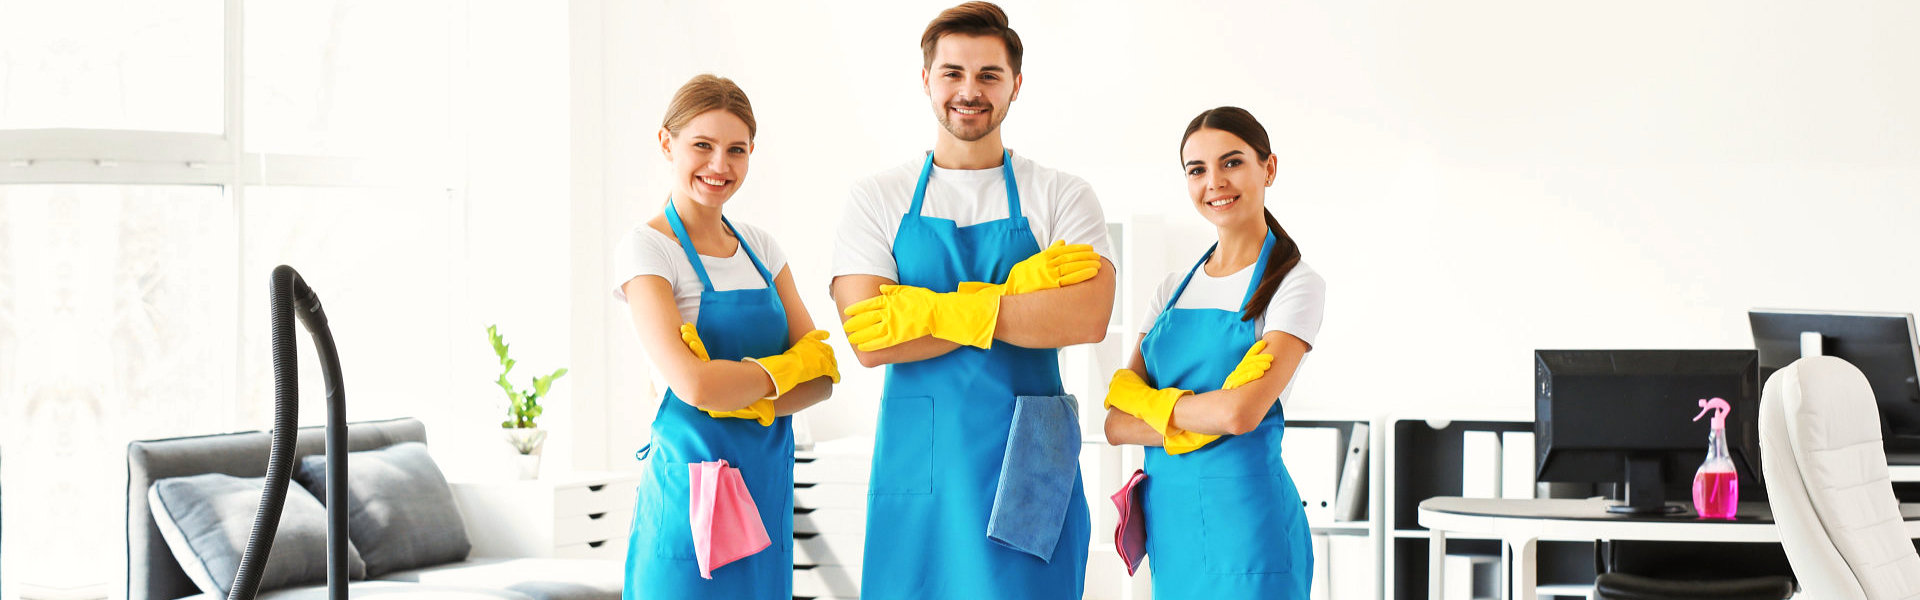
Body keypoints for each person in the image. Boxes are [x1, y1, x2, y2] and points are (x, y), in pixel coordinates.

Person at [828, 2, 1115, 598]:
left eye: (989, 75)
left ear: (1016, 85)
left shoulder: (1061, 194)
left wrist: (927, 309)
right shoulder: (876, 197)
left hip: (1029, 464)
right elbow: (871, 338)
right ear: (926, 80)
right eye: (953, 73)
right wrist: (1016, 298)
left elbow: (1086, 316)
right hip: (923, 462)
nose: (970, 90)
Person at [616, 73, 840, 600]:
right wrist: (782, 378)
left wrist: (738, 389)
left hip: (765, 492)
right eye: (702, 145)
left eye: (735, 150)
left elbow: (824, 377)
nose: (719, 165)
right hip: (689, 497)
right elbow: (691, 387)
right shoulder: (647, 249)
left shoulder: (761, 248)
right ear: (666, 143)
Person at [1103, 106, 1327, 599]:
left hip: (1249, 527)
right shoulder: (1170, 290)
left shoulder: (1294, 285)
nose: (1215, 182)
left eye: (1232, 163)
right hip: (1173, 524)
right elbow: (1116, 422)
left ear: (1268, 168)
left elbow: (1242, 413)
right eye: (1197, 170)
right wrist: (1207, 413)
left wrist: (1157, 409)